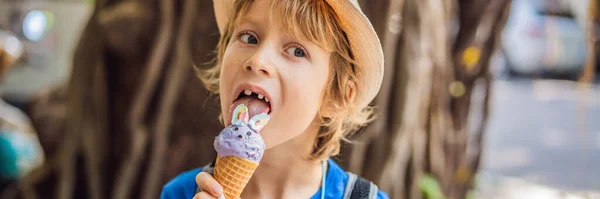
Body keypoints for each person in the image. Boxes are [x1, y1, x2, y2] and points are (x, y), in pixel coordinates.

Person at [160, 0, 386, 198]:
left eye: (297, 51)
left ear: (337, 96)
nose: (257, 60)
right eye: (249, 37)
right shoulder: (181, 193)